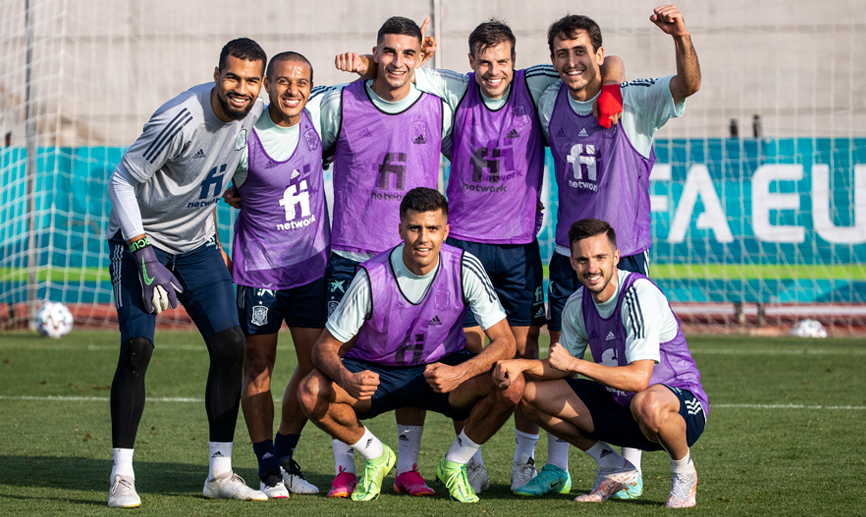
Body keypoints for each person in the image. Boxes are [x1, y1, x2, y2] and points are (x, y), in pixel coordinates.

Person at [398, 19, 624, 494]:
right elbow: (402, 72)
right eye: (484, 61)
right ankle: (469, 454)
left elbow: (600, 65)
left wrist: (616, 86)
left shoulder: (537, 83)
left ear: (515, 62)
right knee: (468, 354)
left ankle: (524, 461)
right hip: (464, 247)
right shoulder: (457, 92)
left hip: (519, 249)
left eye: (501, 61)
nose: (493, 70)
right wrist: (407, 53)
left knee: (521, 357)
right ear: (471, 62)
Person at [535, 5, 701, 496]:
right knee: (562, 354)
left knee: (626, 358)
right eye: (561, 54)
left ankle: (631, 469)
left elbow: (687, 85)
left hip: (624, 254)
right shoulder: (548, 102)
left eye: (580, 52)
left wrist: (681, 37)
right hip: (568, 255)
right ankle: (560, 466)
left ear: (599, 53)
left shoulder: (633, 103)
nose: (570, 62)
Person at [104, 38, 268, 508]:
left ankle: (219, 472)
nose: (242, 89)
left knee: (231, 344)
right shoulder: (180, 118)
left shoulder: (254, 110)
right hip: (140, 242)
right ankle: (121, 475)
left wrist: (235, 185)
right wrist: (143, 253)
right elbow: (121, 180)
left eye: (251, 80)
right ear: (217, 73)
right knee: (138, 347)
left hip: (196, 244)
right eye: (233, 77)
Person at [298, 187, 524, 504]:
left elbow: (505, 342)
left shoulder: (464, 267)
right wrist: (348, 378)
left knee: (511, 383)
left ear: (445, 231)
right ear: (400, 229)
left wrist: (460, 373)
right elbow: (323, 348)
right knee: (310, 391)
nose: (423, 238)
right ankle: (376, 456)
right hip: (379, 374)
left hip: (439, 373)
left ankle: (454, 464)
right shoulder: (371, 276)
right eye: (415, 228)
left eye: (432, 229)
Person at [493, 218, 709, 508]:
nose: (591, 268)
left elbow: (638, 380)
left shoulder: (638, 294)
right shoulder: (576, 304)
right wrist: (521, 366)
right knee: (529, 395)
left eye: (600, 258)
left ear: (616, 258)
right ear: (572, 262)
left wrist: (577, 365)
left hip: (678, 406)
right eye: (582, 260)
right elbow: (561, 366)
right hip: (622, 407)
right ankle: (614, 467)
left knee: (647, 403)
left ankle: (684, 472)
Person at [321, 16, 449, 498]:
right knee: (339, 362)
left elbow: (476, 147)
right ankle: (345, 467)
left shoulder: (439, 106)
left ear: (421, 58)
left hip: (410, 258)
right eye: (388, 52)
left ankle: (408, 468)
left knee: (406, 362)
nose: (397, 62)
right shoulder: (340, 100)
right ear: (374, 52)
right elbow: (297, 143)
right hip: (350, 252)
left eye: (408, 53)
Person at [229, 51, 328, 498]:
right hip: (260, 274)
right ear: (267, 84)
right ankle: (265, 463)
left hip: (311, 268)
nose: (293, 90)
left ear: (311, 87)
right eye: (284, 81)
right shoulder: (242, 134)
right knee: (258, 366)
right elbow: (213, 191)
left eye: (302, 82)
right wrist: (216, 251)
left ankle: (284, 455)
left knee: (315, 367)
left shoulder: (321, 120)